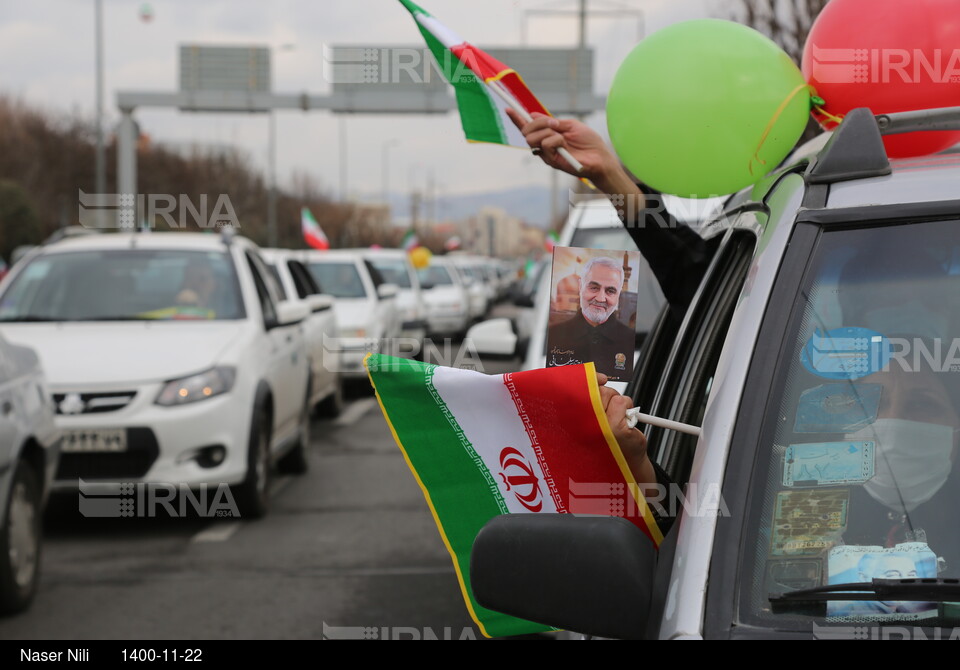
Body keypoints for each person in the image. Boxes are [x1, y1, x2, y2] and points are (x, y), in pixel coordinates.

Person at [547, 255, 636, 380]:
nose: (600, 298)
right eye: (594, 288)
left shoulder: (631, 341)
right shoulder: (554, 334)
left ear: (618, 295)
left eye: (610, 291)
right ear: (580, 286)